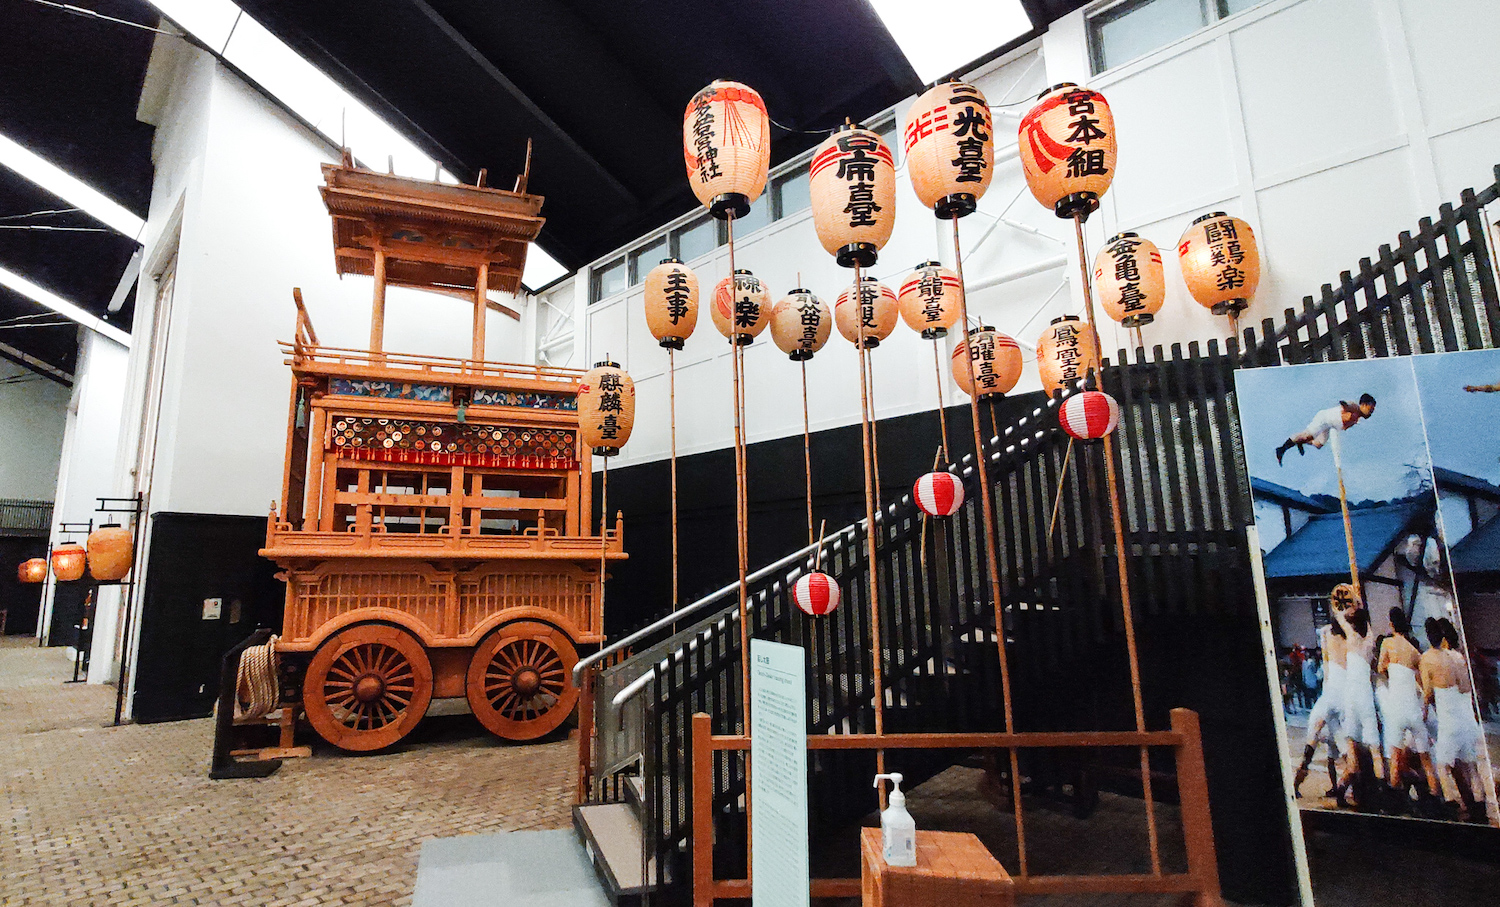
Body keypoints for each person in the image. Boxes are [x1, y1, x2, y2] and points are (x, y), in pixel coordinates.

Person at [1421, 617, 1489, 822]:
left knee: (1442, 764)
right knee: (1471, 766)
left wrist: (1424, 712)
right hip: (1467, 719)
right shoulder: (1459, 658)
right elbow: (1466, 688)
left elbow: (1428, 692)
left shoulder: (1430, 658)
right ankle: (1480, 808)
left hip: (1449, 720)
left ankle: (1451, 805)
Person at [1376, 608, 1439, 804]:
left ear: (1391, 624)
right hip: (1414, 710)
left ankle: (1396, 800)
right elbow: (1423, 684)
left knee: (1395, 757)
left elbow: (1380, 667)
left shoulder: (1387, 643)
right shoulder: (1414, 651)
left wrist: (1390, 669)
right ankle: (1435, 797)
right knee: (1426, 760)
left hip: (1397, 709)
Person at [1332, 588, 1385, 798]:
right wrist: (1359, 605)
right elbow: (1366, 624)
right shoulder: (1370, 640)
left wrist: (1350, 603)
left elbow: (1338, 615)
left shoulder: (1352, 637)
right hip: (1365, 696)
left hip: (1351, 695)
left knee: (1351, 744)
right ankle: (1383, 792)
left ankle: (1343, 788)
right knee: (1375, 748)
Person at [1293, 613, 1347, 798]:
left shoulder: (1328, 641)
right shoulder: (1345, 644)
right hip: (1336, 705)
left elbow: (1323, 633)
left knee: (1313, 751)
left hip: (1327, 702)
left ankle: (1298, 785)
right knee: (1342, 753)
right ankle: (1343, 788)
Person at [1275, 393, 1377, 465]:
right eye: (1370, 409)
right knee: (1307, 435)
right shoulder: (1355, 407)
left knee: (1318, 444)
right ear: (1363, 405)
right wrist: (1344, 404)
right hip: (1324, 419)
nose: (1371, 412)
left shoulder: (1357, 417)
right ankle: (1281, 449)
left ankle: (1300, 442)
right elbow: (1347, 405)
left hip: (1329, 425)